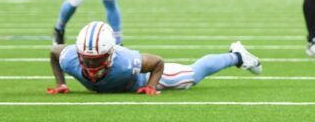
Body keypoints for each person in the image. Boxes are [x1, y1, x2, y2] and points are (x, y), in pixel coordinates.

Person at [47, 21, 261, 94]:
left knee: (192, 75)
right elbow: (54, 53)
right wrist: (61, 84)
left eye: (96, 59)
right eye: (86, 58)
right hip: (122, 82)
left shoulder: (127, 63)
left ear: (111, 53)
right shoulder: (69, 57)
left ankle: (236, 56)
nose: (90, 63)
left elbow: (158, 62)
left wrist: (150, 86)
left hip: (140, 80)